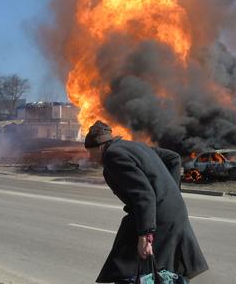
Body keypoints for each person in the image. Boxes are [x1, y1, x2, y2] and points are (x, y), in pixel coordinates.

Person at [85, 121, 209, 283]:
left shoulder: (112, 155)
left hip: (157, 217)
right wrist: (170, 193)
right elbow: (173, 158)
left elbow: (143, 194)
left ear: (100, 146)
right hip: (171, 212)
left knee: (125, 266)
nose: (90, 157)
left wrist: (145, 235)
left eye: (90, 152)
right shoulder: (136, 146)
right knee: (163, 270)